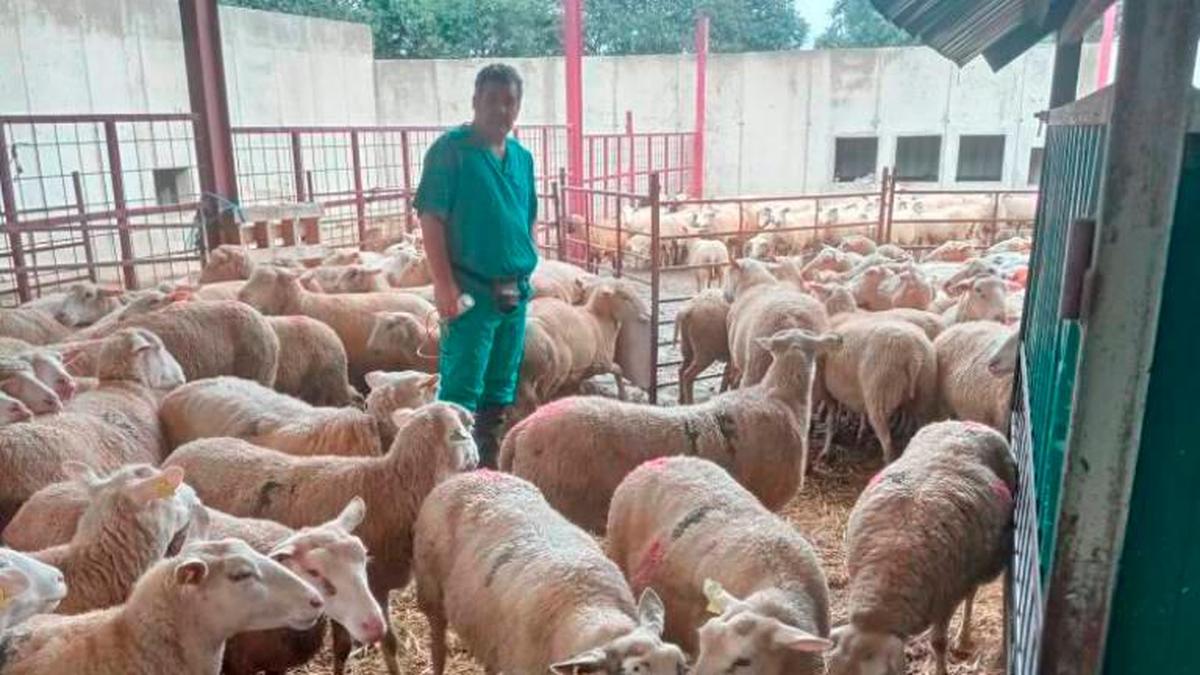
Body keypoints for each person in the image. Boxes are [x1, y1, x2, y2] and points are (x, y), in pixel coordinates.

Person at [413, 64, 539, 468]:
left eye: (510, 102)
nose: (502, 110)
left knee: (501, 386)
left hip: (513, 292)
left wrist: (525, 267)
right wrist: (443, 285)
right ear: (474, 101)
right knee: (461, 387)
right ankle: (447, 471)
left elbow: (527, 216)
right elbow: (431, 217)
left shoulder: (521, 158)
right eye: (492, 100)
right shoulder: (451, 151)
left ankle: (485, 463)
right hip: (471, 289)